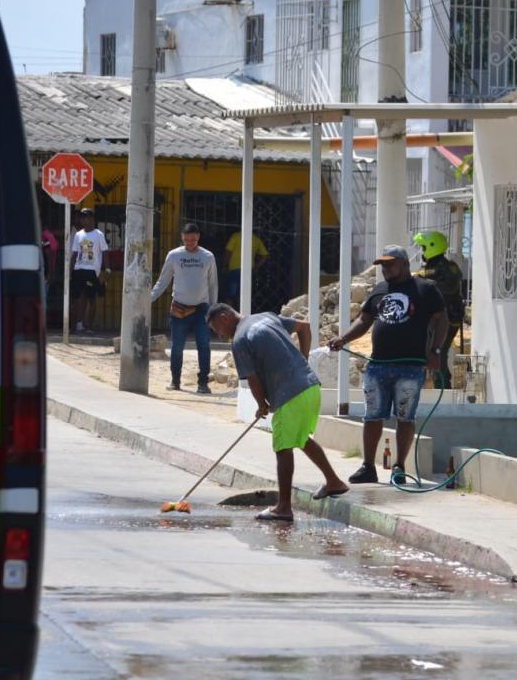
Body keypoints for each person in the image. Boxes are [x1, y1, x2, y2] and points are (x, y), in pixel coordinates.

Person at [206, 303, 349, 521]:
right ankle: (334, 482)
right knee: (300, 438)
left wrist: (261, 404)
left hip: (290, 394)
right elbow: (304, 327)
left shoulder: (239, 340)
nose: (219, 334)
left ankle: (283, 507)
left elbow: (253, 380)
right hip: (310, 387)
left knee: (282, 447)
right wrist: (303, 358)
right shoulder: (266, 315)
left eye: (217, 329)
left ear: (225, 317)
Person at [328, 245, 450, 485]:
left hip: (411, 365)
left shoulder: (425, 289)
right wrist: (343, 338)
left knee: (405, 417)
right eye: (382, 265)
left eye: (390, 264)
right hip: (378, 365)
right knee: (372, 416)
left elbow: (442, 319)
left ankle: (399, 467)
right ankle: (367, 467)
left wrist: (436, 351)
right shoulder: (380, 290)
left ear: (404, 263)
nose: (385, 269)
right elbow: (364, 321)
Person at [151, 223, 219, 393]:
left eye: (193, 239)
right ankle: (175, 381)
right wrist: (149, 298)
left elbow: (212, 284)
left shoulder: (208, 256)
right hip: (179, 308)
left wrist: (213, 308)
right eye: (187, 239)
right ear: (182, 237)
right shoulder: (174, 256)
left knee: (204, 345)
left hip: (202, 309)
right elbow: (163, 280)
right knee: (177, 346)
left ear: (198, 237)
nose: (190, 242)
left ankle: (203, 382)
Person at [413, 231, 465, 388]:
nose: (422, 252)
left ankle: (442, 387)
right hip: (429, 319)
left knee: (439, 352)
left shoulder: (450, 268)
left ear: (432, 247)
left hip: (448, 319)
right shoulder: (424, 270)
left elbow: (448, 288)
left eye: (423, 248)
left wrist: (425, 283)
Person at [69, 208, 109, 334]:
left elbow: (105, 252)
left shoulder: (99, 234)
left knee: (91, 299)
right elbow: (74, 254)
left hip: (92, 271)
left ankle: (89, 327)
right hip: (78, 269)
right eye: (81, 217)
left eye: (85, 217)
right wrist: (70, 270)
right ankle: (74, 326)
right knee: (76, 299)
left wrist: (107, 269)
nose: (83, 220)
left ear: (92, 219)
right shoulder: (78, 235)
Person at [222, 230, 269, 307]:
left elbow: (228, 251)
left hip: (234, 269)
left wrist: (224, 265)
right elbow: (265, 255)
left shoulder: (236, 236)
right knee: (243, 295)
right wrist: (256, 267)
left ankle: (229, 315)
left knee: (230, 295)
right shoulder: (256, 239)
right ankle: (242, 315)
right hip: (248, 271)